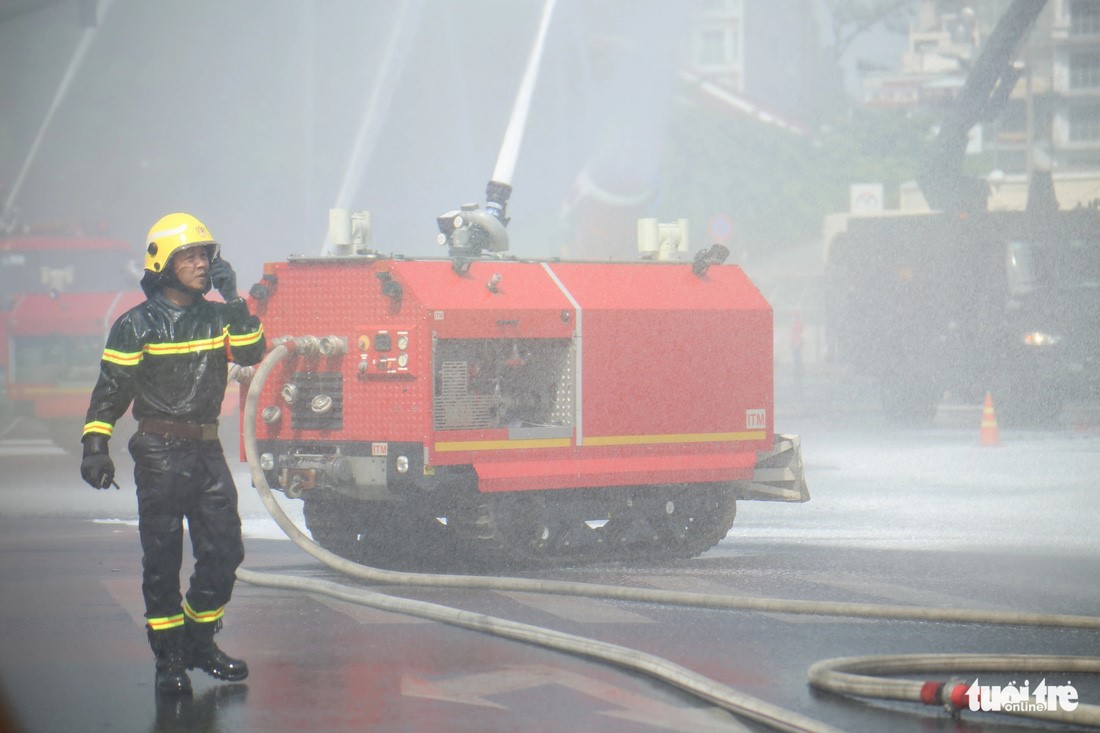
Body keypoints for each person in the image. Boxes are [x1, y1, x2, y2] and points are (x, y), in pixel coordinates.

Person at [79, 213, 265, 695]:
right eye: (190, 256)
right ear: (163, 262)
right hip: (159, 451)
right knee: (162, 558)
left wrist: (235, 299)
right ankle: (169, 662)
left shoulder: (219, 315)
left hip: (206, 449)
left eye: (206, 255)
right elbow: (111, 390)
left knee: (225, 550)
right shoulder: (136, 325)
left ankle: (198, 641)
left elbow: (250, 353)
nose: (202, 264)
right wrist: (95, 444)